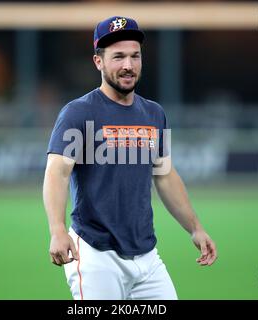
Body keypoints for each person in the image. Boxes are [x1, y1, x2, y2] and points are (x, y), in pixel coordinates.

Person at [43, 16, 217, 300]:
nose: (128, 65)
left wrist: (195, 228)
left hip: (147, 257)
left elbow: (165, 175)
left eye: (135, 56)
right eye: (118, 57)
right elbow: (57, 173)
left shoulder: (154, 114)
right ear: (98, 62)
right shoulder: (78, 113)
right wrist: (57, 230)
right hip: (96, 254)